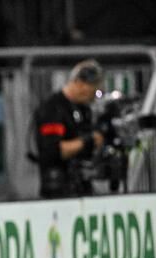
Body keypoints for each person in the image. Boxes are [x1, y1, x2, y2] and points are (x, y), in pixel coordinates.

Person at [33, 60, 104, 198]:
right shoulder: (53, 108)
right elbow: (52, 151)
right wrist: (88, 141)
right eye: (93, 90)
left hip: (81, 188)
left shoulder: (84, 109)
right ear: (80, 83)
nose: (94, 96)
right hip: (58, 191)